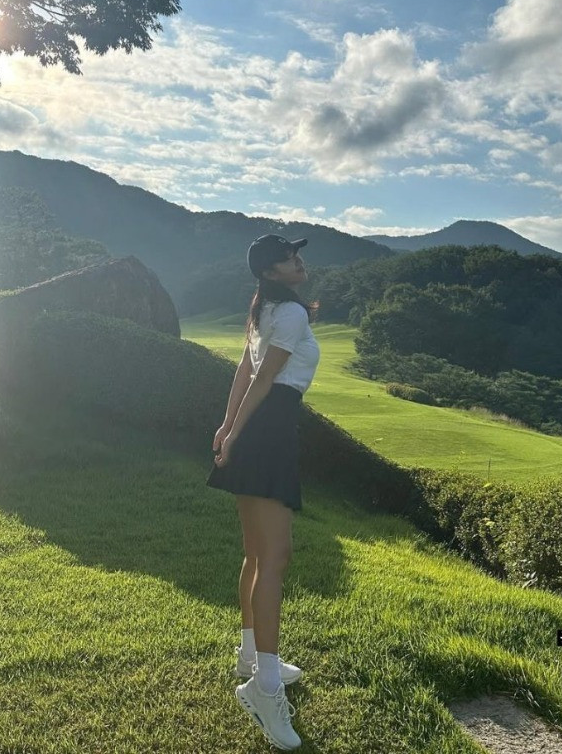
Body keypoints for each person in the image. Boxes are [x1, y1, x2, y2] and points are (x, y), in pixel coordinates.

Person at [206, 233, 320, 751]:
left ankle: (251, 657)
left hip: (258, 429)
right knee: (275, 557)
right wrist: (233, 431)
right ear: (272, 272)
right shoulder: (289, 314)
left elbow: (244, 370)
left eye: (296, 254)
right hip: (270, 430)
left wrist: (228, 425)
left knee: (256, 554)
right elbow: (264, 377)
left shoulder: (265, 309)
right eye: (289, 258)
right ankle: (265, 687)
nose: (299, 261)